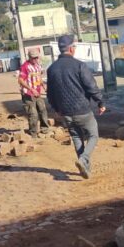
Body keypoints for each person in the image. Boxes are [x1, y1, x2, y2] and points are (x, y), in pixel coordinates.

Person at [47, 34, 105, 179]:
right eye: (75, 46)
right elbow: (91, 86)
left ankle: (85, 168)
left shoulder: (51, 69)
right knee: (93, 135)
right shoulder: (79, 65)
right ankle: (84, 159)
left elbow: (50, 93)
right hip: (82, 109)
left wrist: (57, 109)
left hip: (65, 111)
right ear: (71, 48)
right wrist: (100, 102)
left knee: (76, 136)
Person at [18, 48, 50, 137]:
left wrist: (43, 86)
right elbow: (20, 80)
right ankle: (33, 132)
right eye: (33, 58)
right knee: (33, 113)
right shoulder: (25, 66)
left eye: (37, 57)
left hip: (37, 93)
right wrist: (31, 89)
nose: (35, 59)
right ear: (29, 57)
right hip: (28, 94)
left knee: (42, 109)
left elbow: (39, 77)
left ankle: (45, 129)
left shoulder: (38, 66)